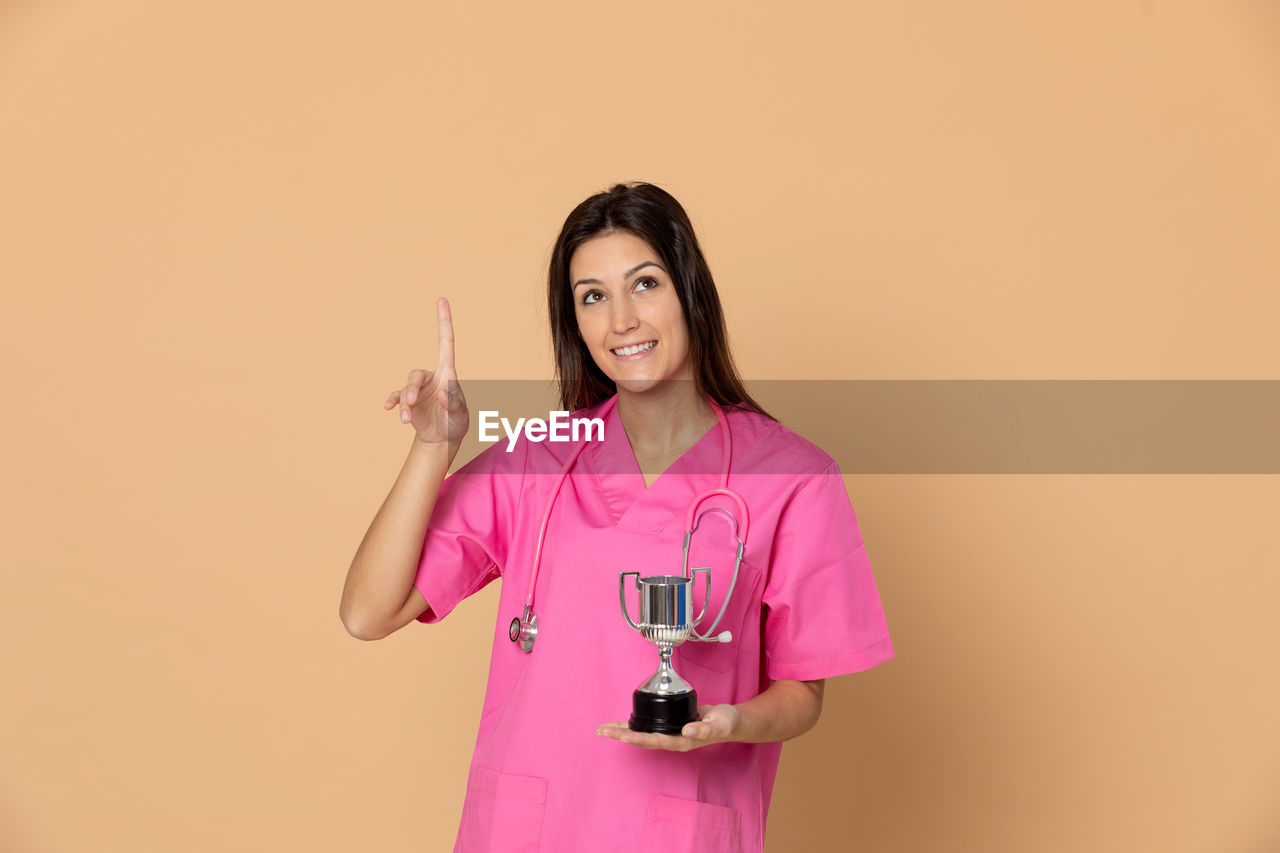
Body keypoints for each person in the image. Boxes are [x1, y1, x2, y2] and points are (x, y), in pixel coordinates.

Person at [340, 182, 894, 853]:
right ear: (575, 322)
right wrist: (434, 446)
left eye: (645, 283)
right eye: (593, 296)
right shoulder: (536, 459)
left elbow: (803, 690)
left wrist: (730, 720)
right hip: (522, 828)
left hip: (674, 828)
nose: (622, 320)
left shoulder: (793, 476)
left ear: (691, 292)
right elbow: (368, 612)